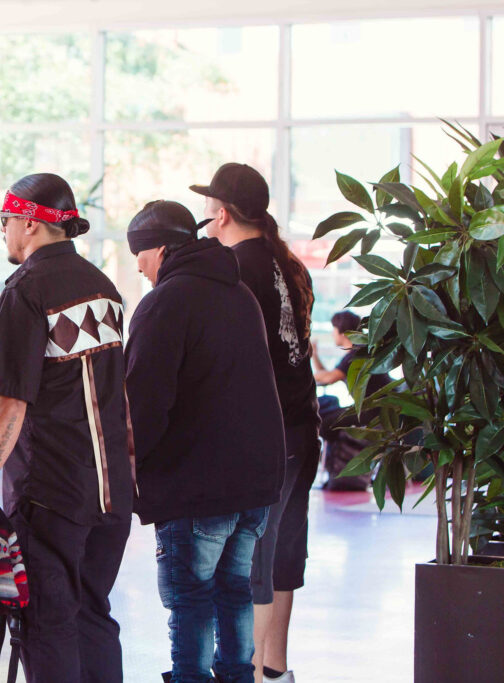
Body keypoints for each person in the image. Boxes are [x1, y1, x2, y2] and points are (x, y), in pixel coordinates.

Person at [0, 173, 133, 683]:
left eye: (5, 222)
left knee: (47, 622)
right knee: (92, 613)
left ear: (27, 221)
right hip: (112, 494)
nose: (4, 233)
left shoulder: (27, 288)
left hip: (52, 493)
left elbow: (9, 401)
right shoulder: (104, 287)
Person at [124, 201, 285, 683]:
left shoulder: (166, 302)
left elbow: (143, 403)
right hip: (254, 480)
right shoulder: (239, 294)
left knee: (190, 598)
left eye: (141, 258)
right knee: (233, 589)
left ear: (158, 249)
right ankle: (237, 677)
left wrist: (130, 465)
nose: (140, 270)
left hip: (195, 484)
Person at [193, 164, 321, 683]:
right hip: (301, 429)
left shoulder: (231, 270)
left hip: (264, 437)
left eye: (207, 207)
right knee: (282, 561)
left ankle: (246, 674)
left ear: (220, 214)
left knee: (252, 571)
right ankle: (274, 671)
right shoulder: (288, 264)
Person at [312, 310, 392, 440]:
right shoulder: (359, 350)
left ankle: (341, 456)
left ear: (343, 332)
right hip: (374, 408)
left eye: (334, 329)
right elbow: (328, 375)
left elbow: (330, 377)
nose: (332, 334)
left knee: (325, 425)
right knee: (326, 415)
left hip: (373, 411)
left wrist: (303, 377)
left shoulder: (356, 355)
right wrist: (314, 354)